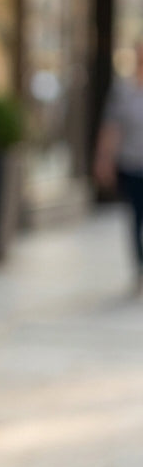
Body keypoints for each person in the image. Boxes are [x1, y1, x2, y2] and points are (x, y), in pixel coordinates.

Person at [93, 40, 143, 292]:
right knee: (136, 217)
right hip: (132, 164)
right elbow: (111, 128)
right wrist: (104, 160)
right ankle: (140, 269)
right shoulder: (123, 90)